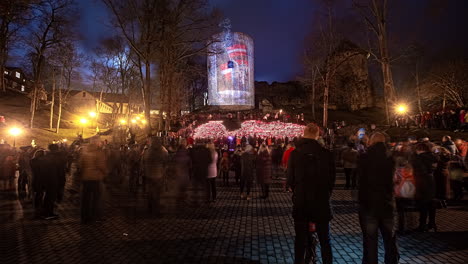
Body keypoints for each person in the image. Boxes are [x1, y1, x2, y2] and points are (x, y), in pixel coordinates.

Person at [287, 123, 335, 264]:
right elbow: (331, 180)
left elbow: (290, 179)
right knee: (325, 239)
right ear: (317, 135)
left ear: (303, 133)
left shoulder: (295, 154)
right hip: (321, 201)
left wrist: (296, 191)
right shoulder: (326, 154)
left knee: (300, 239)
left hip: (302, 202)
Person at [358, 132, 399, 264]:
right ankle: (391, 261)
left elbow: (361, 180)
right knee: (390, 239)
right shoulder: (390, 158)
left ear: (371, 142)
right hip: (387, 203)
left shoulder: (364, 158)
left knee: (370, 240)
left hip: (369, 204)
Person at [79, 137, 108, 224]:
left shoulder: (85, 151)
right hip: (95, 178)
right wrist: (106, 173)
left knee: (86, 199)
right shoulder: (98, 152)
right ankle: (95, 216)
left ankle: (85, 217)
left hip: (86, 178)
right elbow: (101, 165)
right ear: (96, 143)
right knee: (97, 199)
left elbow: (80, 164)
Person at [411, 143, 438, 232]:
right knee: (431, 202)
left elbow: (418, 169)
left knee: (423, 204)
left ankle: (422, 225)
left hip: (422, 182)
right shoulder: (433, 157)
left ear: (419, 149)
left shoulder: (419, 158)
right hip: (431, 181)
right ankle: (432, 223)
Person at [144, 137, 168, 215]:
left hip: (149, 174)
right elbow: (165, 162)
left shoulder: (147, 151)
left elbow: (143, 161)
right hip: (158, 175)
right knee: (157, 193)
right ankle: (156, 209)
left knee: (150, 192)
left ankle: (150, 207)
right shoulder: (162, 151)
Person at [190, 140, 212, 206]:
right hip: (204, 170)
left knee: (195, 187)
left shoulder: (193, 150)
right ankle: (206, 200)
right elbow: (210, 160)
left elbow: (192, 160)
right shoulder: (207, 150)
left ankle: (195, 200)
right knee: (205, 186)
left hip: (196, 170)